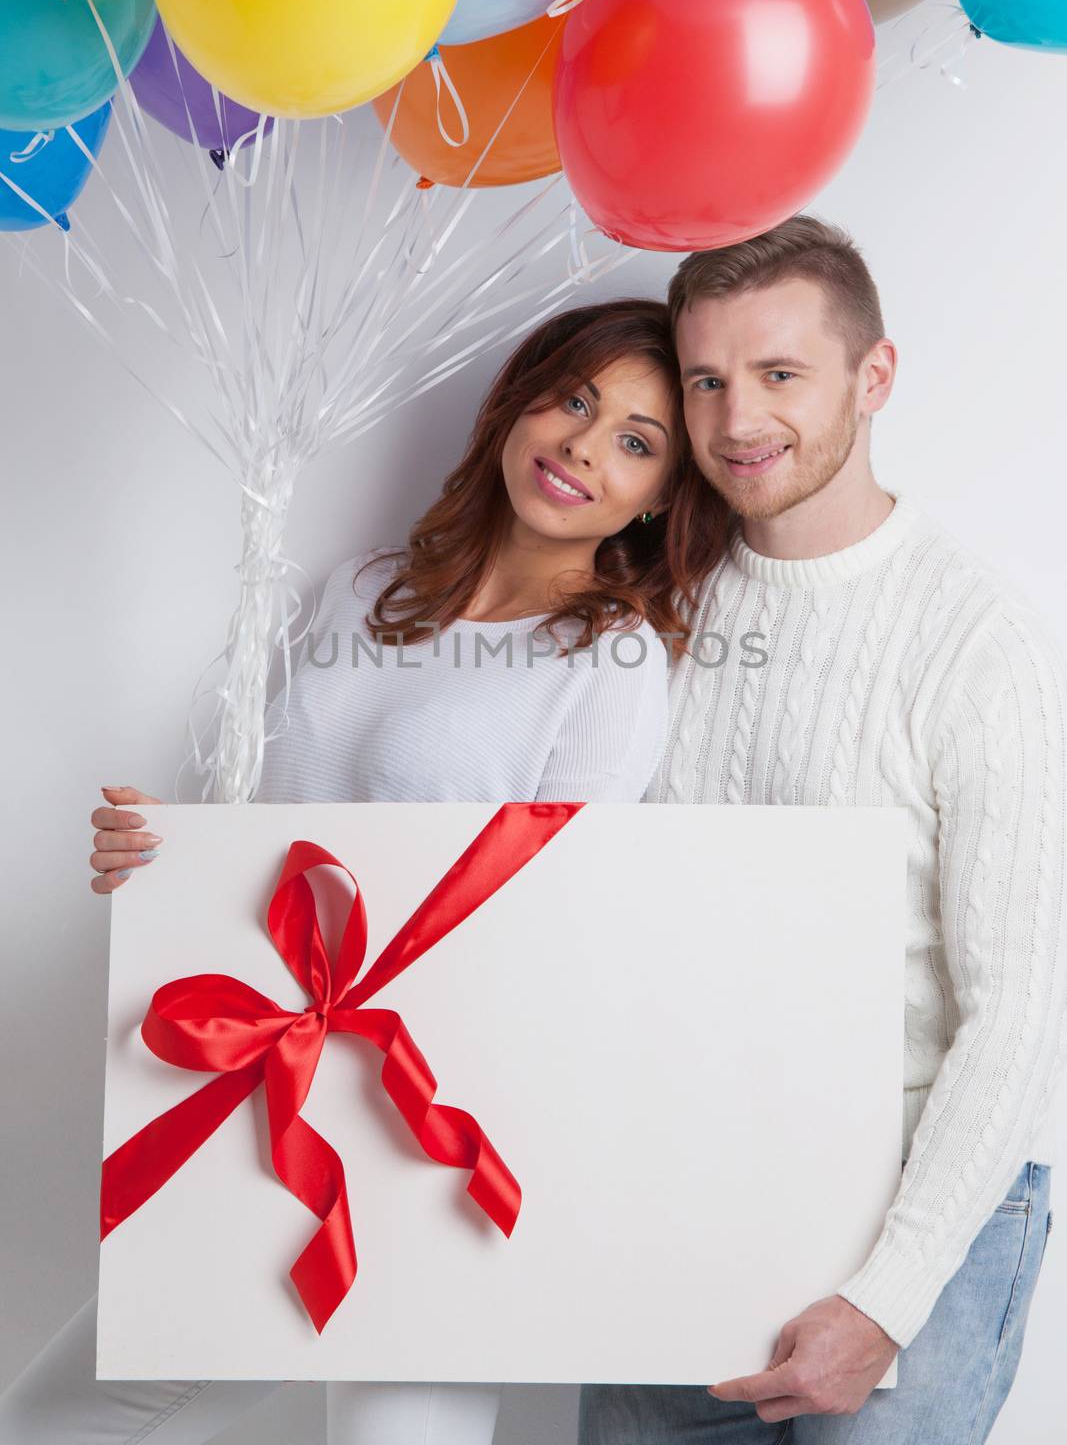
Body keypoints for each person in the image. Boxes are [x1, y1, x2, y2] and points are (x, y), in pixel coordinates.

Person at [0, 299, 727, 1445]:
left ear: (656, 499)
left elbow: (562, 914)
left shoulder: (609, 657)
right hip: (268, 1089)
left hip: (425, 1117)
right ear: (519, 398)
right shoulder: (359, 590)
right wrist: (164, 857)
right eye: (575, 398)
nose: (586, 445)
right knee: (52, 1411)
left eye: (636, 441)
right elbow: (277, 836)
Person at [580, 215, 1067, 1444]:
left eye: (779, 374)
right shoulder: (654, 608)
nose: (735, 420)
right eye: (706, 380)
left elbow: (1015, 1012)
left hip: (926, 1202)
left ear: (874, 378)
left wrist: (886, 1298)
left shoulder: (974, 642)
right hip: (693, 1173)